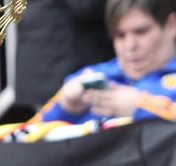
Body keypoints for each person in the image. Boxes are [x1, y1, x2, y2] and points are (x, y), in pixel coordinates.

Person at [39, 0, 176, 123]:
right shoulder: (90, 77)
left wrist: (142, 108)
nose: (130, 45)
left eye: (141, 32)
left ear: (172, 25)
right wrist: (64, 110)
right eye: (120, 36)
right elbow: (23, 135)